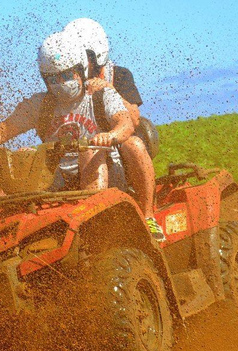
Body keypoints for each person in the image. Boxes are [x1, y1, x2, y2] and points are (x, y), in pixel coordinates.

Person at [0, 31, 133, 194]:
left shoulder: (100, 95)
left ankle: (94, 215)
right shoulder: (39, 104)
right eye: (52, 79)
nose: (60, 83)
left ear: (80, 70)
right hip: (58, 179)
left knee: (91, 152)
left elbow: (125, 123)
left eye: (66, 76)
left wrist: (109, 136)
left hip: (107, 174)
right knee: (22, 155)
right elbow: (4, 129)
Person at [64, 18, 165, 241]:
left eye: (83, 55)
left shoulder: (119, 75)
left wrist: (109, 89)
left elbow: (135, 119)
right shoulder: (71, 81)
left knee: (135, 144)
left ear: (96, 54)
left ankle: (148, 215)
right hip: (85, 146)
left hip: (120, 142)